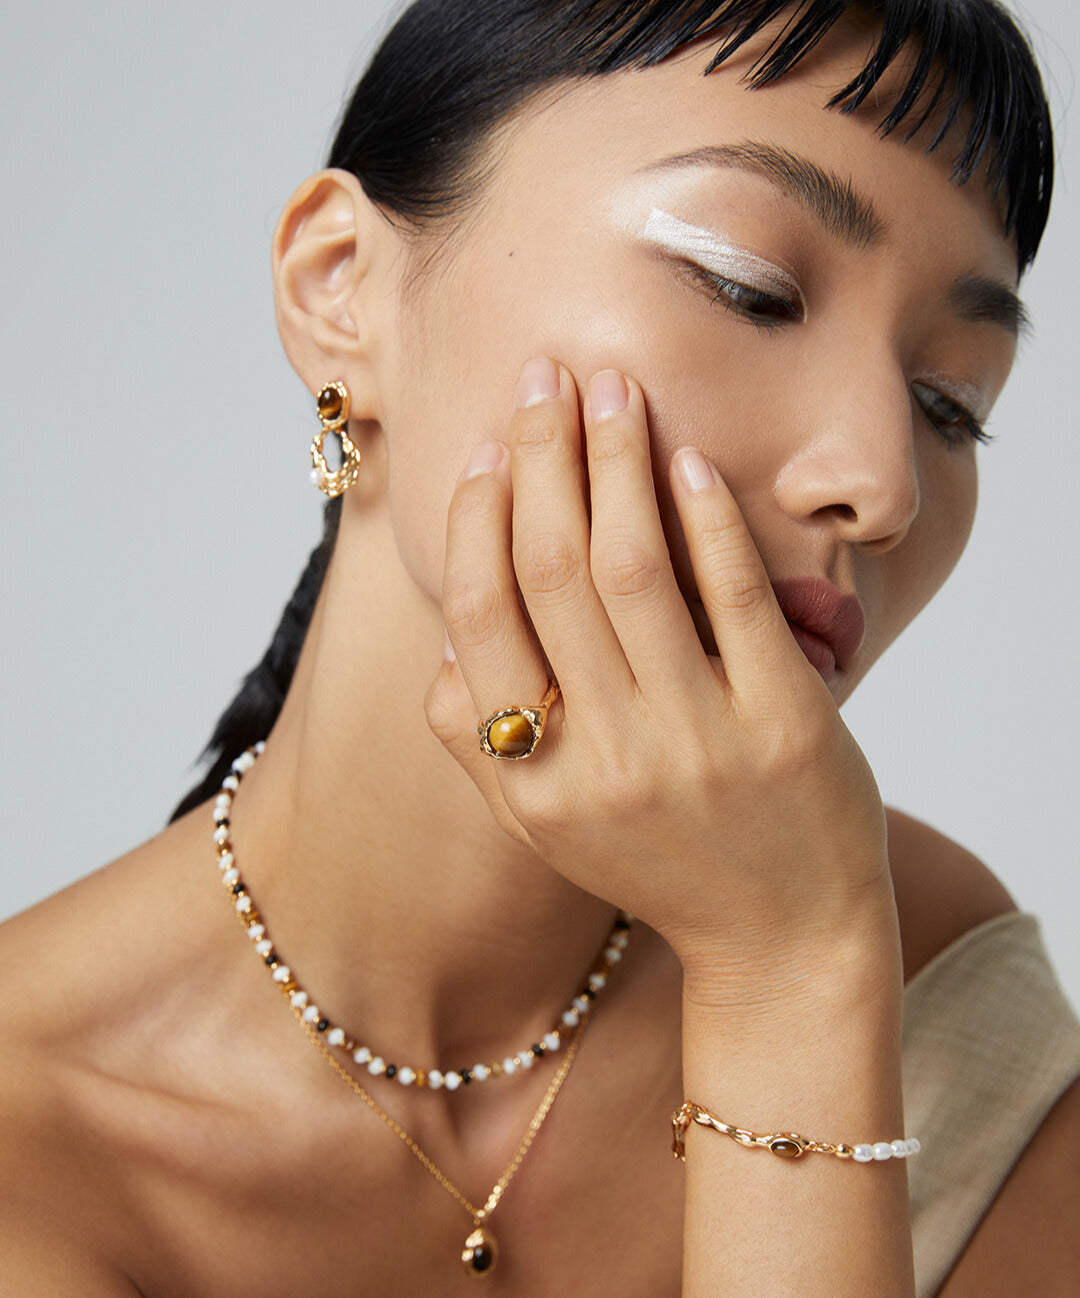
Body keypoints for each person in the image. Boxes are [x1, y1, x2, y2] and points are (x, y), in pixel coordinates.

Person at [2, 0, 1078, 1293]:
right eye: (753, 288)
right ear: (344, 287)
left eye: (949, 401)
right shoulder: (38, 1142)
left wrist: (790, 978)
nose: (883, 480)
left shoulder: (916, 966)